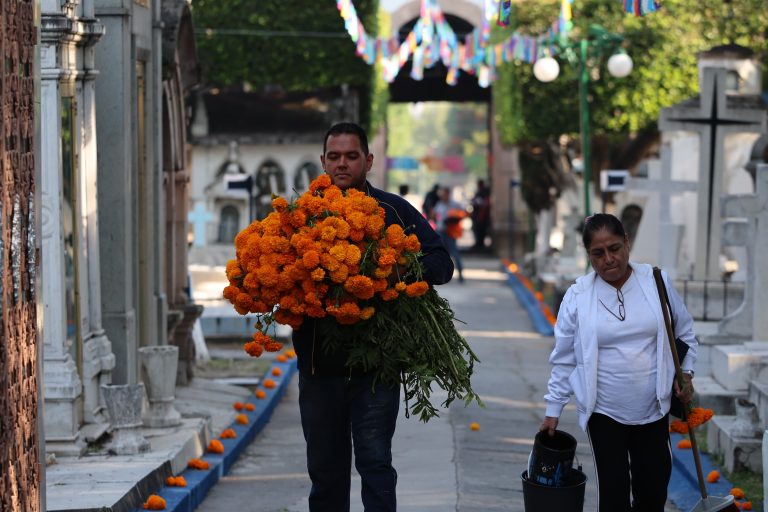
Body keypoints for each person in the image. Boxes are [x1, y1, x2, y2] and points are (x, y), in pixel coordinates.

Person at [292, 122, 454, 512]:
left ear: (368, 161)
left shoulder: (393, 210)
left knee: (376, 467)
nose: (342, 164)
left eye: (351, 156)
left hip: (376, 370)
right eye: (334, 157)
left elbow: (441, 263)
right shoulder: (299, 217)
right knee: (325, 476)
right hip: (318, 369)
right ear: (323, 161)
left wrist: (397, 272)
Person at [539, 213, 697, 512]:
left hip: (654, 408)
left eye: (614, 248)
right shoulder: (578, 296)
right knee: (613, 498)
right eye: (598, 253)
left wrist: (685, 374)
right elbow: (564, 358)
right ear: (588, 255)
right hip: (604, 411)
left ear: (627, 242)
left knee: (652, 496)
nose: (608, 259)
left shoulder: (656, 281)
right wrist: (553, 409)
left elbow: (685, 332)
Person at [431, 186, 465, 283]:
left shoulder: (455, 204)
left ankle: (460, 275)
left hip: (450, 232)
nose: (444, 196)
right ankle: (442, 275)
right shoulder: (439, 204)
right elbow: (433, 215)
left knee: (455, 254)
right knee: (442, 254)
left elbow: (463, 213)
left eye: (445, 194)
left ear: (448, 194)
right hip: (440, 231)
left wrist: (454, 220)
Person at [470, 179, 491, 250]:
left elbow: (484, 203)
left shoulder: (483, 192)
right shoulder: (480, 192)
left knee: (480, 230)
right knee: (477, 230)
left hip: (481, 215)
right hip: (478, 215)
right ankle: (479, 243)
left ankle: (480, 243)